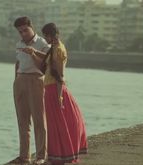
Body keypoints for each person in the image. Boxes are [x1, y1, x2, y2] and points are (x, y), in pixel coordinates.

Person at [26, 23, 88, 165]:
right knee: (54, 125)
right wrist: (33, 52)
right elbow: (46, 62)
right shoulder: (54, 48)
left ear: (50, 35)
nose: (45, 38)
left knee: (57, 125)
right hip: (50, 89)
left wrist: (59, 97)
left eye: (46, 35)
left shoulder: (58, 49)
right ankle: (56, 156)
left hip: (55, 89)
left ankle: (60, 156)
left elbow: (59, 75)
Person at [5, 16, 50, 165]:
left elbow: (45, 66)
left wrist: (33, 53)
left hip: (36, 80)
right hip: (20, 81)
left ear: (32, 27)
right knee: (22, 120)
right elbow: (17, 63)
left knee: (38, 120)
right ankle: (24, 156)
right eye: (20, 32)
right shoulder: (19, 43)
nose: (23, 34)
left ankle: (41, 156)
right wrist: (16, 80)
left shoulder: (42, 43)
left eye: (25, 30)